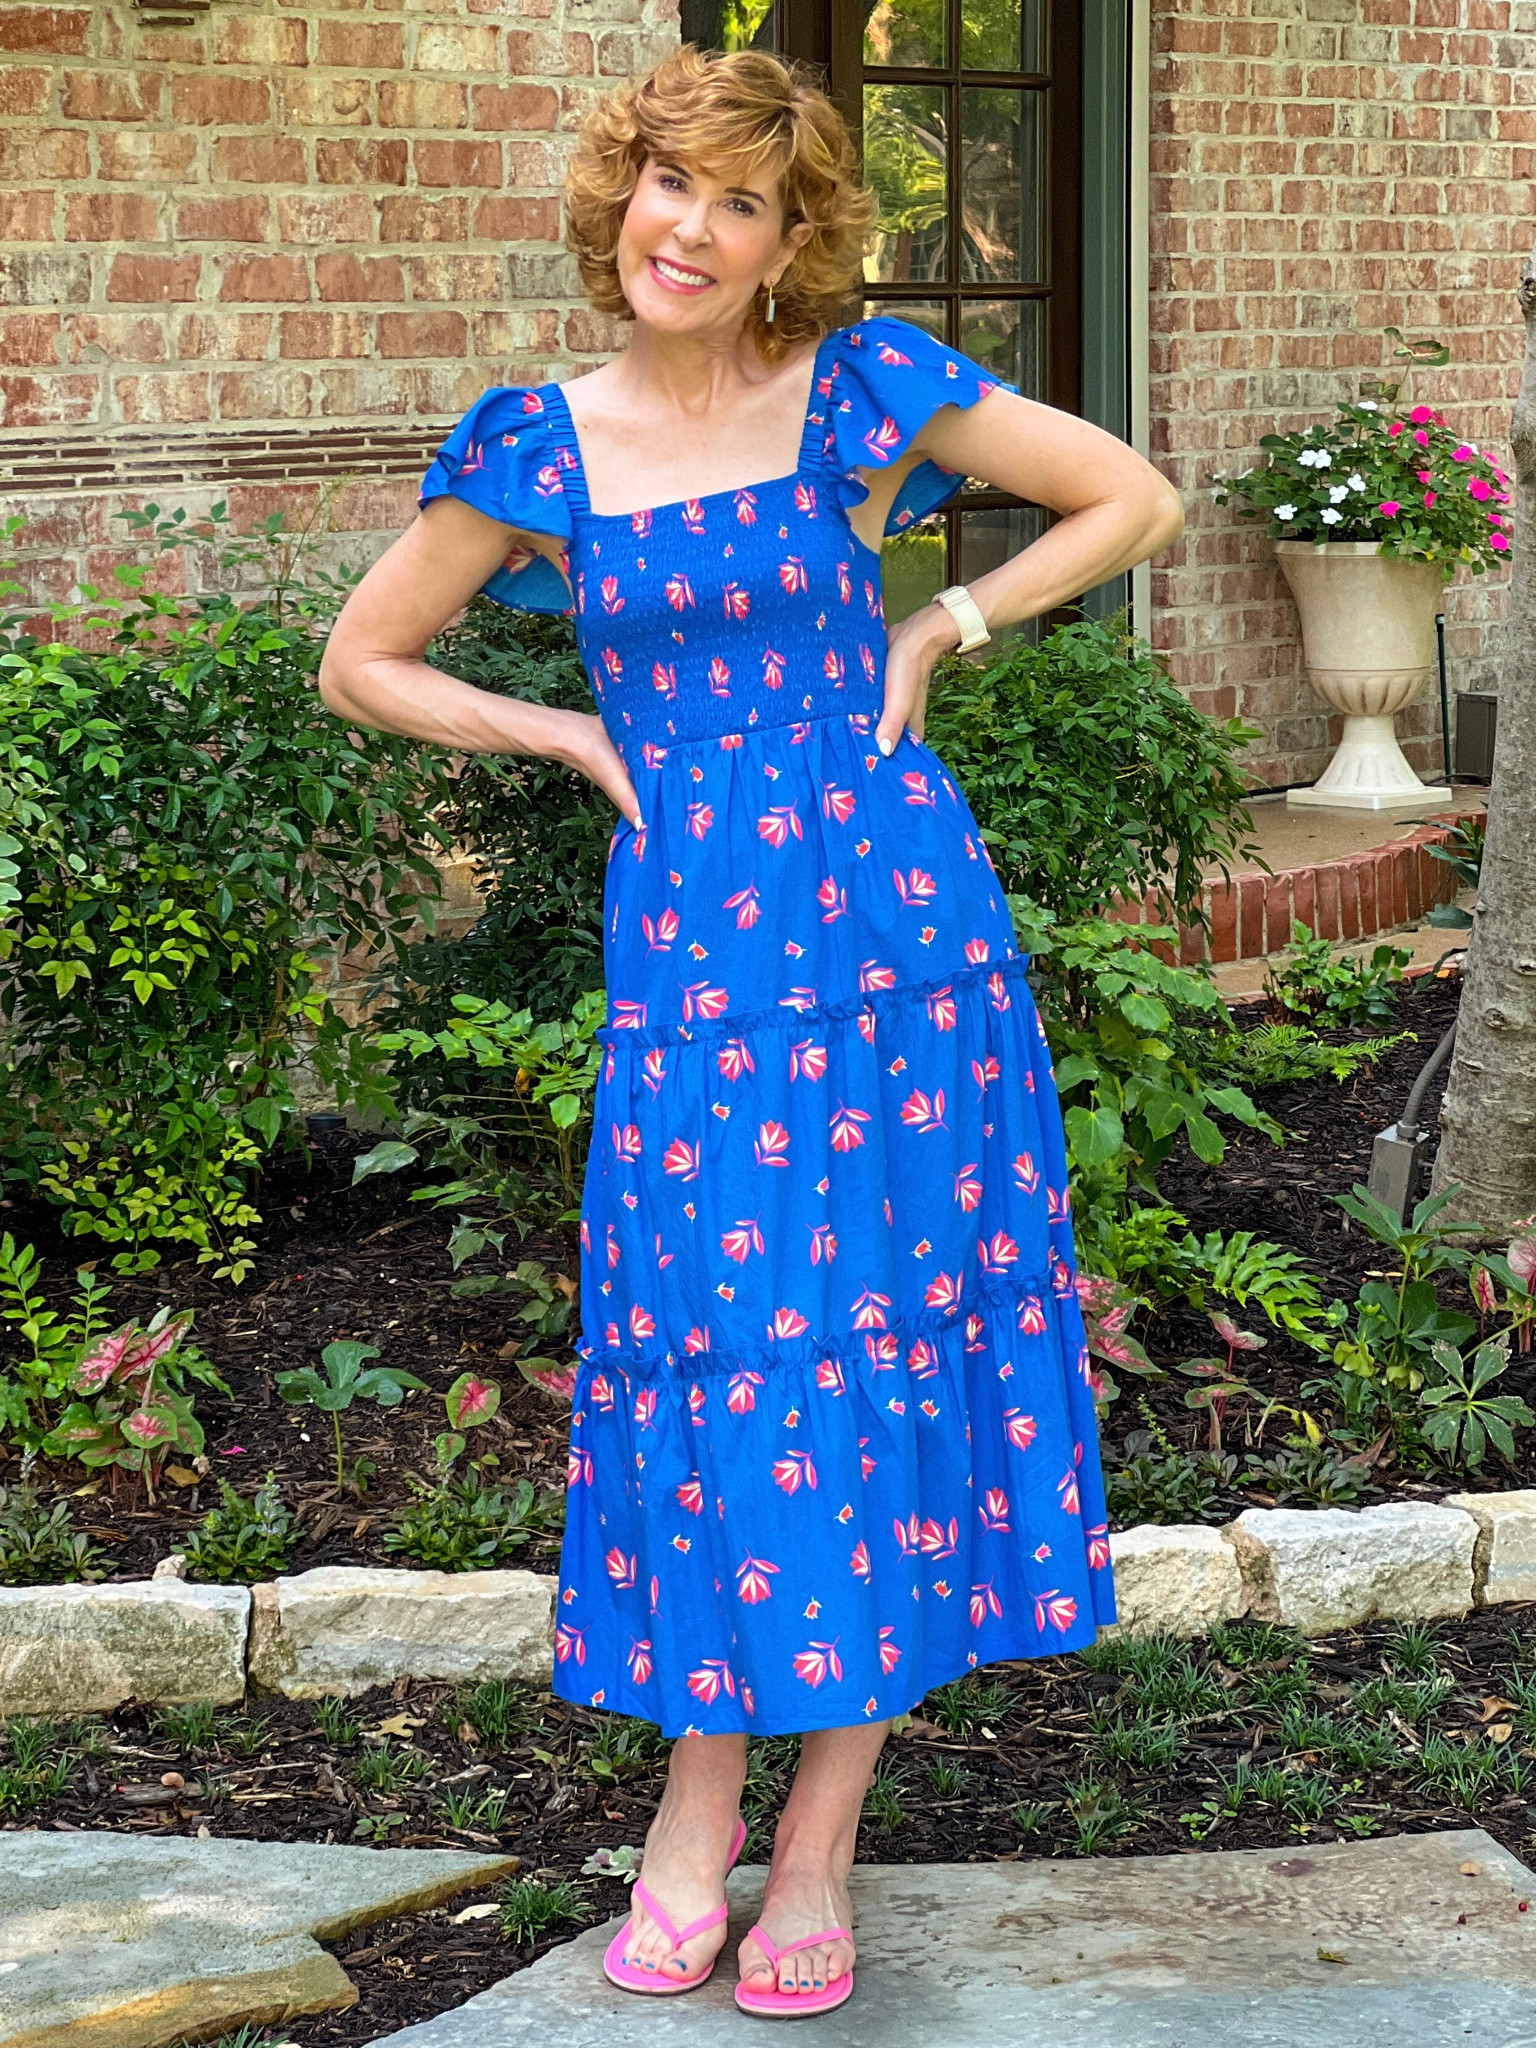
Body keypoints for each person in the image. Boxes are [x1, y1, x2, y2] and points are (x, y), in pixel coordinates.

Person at [319, 43, 1183, 2020]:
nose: (683, 227)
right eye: (660, 183)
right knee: (722, 1342)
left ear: (790, 240)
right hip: (701, 950)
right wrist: (553, 729)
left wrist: (934, 627)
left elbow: (1127, 494)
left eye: (733, 199)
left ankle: (812, 1834)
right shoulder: (534, 444)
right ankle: (696, 1796)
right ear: (614, 196)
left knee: (871, 1332)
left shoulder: (869, 393)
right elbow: (360, 657)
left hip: (896, 942)